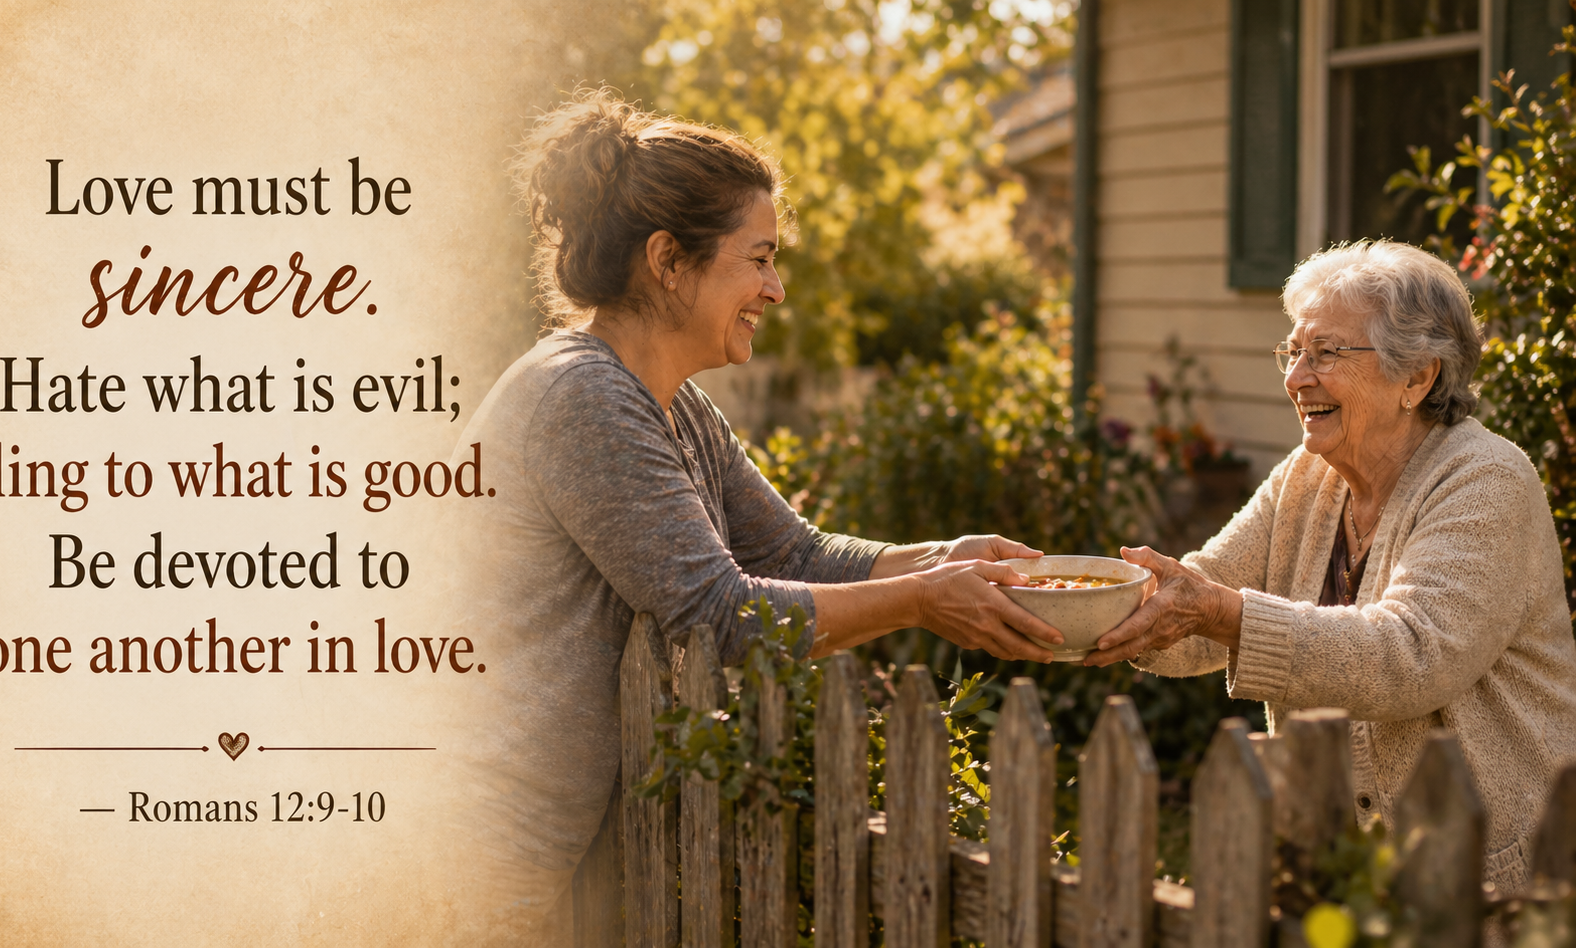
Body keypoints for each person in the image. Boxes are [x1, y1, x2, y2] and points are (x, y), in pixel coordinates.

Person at [447, 90, 1060, 943]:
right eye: (759, 259)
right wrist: (924, 601)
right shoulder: (582, 398)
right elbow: (715, 613)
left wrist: (940, 561)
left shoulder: (672, 405)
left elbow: (793, 554)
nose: (775, 289)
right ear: (668, 260)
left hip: (535, 847)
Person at [1084, 239, 1576, 892]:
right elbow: (1201, 593)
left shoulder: (1486, 482)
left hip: (1489, 880)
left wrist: (1220, 614)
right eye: (1293, 353)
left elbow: (1410, 656)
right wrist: (1075, 607)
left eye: (1324, 354)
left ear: (1416, 377)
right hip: (1339, 874)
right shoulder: (1306, 478)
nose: (1295, 379)